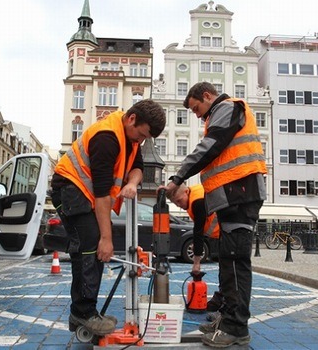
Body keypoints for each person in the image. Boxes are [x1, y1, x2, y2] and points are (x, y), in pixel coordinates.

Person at [160, 82, 267, 347]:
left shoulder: (227, 107)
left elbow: (211, 146)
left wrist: (178, 177)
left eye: (197, 108)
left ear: (207, 96)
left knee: (235, 260)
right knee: (228, 260)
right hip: (233, 194)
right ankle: (228, 316)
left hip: (241, 192)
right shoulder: (222, 112)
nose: (197, 115)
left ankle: (236, 327)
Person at [50, 99, 165, 336]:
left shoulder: (130, 138)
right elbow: (103, 194)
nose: (140, 142)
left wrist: (132, 183)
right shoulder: (107, 138)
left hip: (86, 193)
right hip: (69, 189)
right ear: (132, 118)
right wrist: (107, 238)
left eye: (144, 139)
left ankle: (84, 312)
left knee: (92, 246)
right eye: (140, 136)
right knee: (91, 244)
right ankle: (83, 312)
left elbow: (138, 166)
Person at [166, 183, 224, 313]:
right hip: (222, 233)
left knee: (229, 270)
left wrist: (196, 263)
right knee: (225, 269)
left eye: (179, 201)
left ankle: (227, 304)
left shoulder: (197, 201)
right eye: (176, 203)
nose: (179, 205)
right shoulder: (194, 195)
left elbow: (198, 233)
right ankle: (222, 300)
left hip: (228, 232)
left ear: (186, 192)